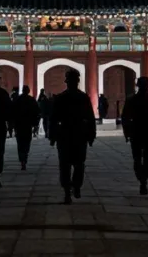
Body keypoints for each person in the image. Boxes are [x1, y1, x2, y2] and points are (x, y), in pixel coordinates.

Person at [50, 69, 96, 204]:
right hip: (79, 135)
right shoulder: (83, 98)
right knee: (79, 164)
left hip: (64, 135)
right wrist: (91, 135)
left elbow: (53, 119)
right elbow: (90, 118)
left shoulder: (60, 98)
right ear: (78, 81)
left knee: (64, 164)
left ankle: (67, 191)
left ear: (67, 82)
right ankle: (76, 186)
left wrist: (52, 136)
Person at [121, 77, 148, 195]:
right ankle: (144, 180)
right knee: (147, 157)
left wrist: (127, 132)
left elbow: (125, 117)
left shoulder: (131, 100)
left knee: (137, 157)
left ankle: (142, 179)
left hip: (136, 131)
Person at [13, 85, 41, 170]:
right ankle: (24, 158)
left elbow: (12, 112)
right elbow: (37, 113)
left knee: (20, 143)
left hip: (19, 125)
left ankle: (22, 159)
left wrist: (13, 124)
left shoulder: (18, 100)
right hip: (27, 125)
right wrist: (35, 125)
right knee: (26, 142)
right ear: (28, 91)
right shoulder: (31, 100)